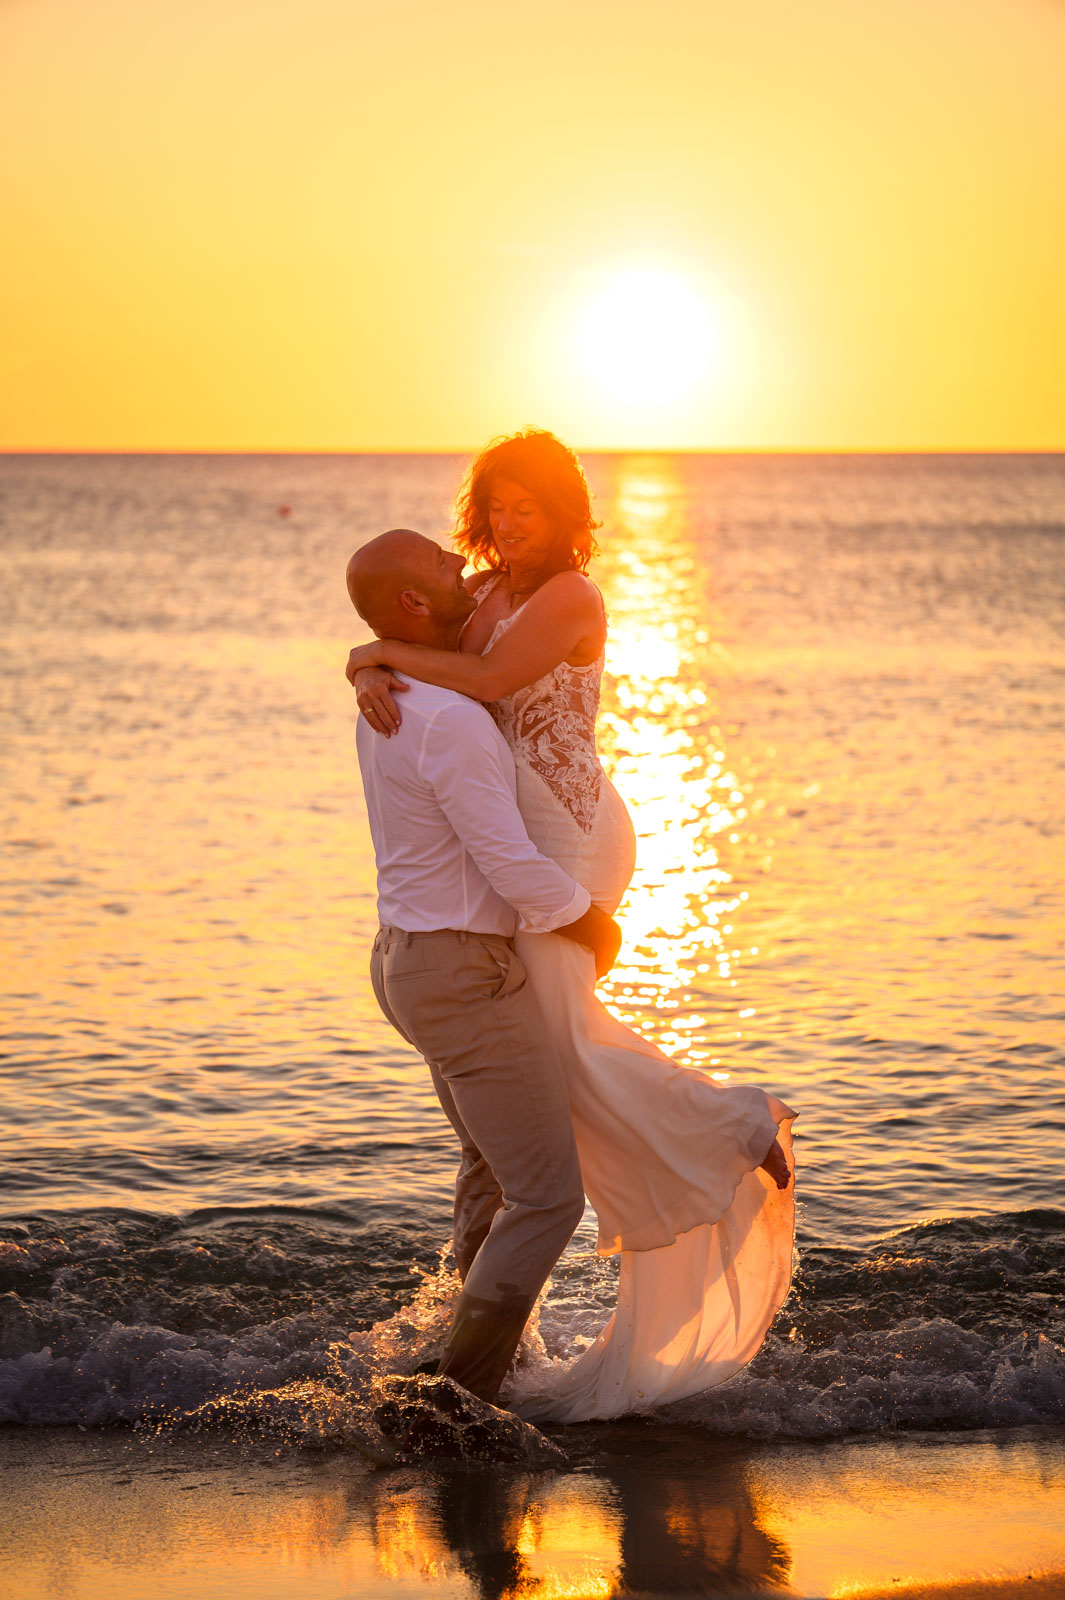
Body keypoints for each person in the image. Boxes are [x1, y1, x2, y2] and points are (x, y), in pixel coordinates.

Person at [346, 429, 796, 1422]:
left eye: (529, 509)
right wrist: (368, 662)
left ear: (564, 515)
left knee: (566, 1049)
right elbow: (425, 660)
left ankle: (737, 1120)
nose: (508, 526)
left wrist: (378, 651)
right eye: (496, 507)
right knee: (533, 1077)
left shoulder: (570, 597)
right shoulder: (486, 597)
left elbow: (495, 686)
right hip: (518, 848)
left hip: (568, 839)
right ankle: (481, 1343)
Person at [346, 527, 622, 1407]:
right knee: (546, 1201)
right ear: (416, 606)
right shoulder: (453, 718)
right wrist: (590, 925)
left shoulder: (392, 700)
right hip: (462, 974)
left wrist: (364, 662)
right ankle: (460, 1395)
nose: (461, 565)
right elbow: (505, 860)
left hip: (407, 961)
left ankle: (470, 1348)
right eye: (440, 563)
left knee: (491, 1169)